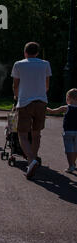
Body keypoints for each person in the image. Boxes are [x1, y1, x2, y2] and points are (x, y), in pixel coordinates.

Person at [11, 42, 52, 179]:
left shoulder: (18, 64)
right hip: (41, 102)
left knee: (22, 134)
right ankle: (33, 159)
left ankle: (31, 160)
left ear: (25, 52)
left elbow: (15, 85)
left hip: (25, 102)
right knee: (36, 134)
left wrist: (17, 96)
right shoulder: (45, 64)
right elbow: (47, 85)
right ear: (37, 52)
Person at [46, 88, 77, 173]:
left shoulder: (66, 108)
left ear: (68, 99)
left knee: (69, 149)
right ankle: (74, 163)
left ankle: (71, 166)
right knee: (75, 148)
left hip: (68, 131)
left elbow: (53, 112)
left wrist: (47, 109)